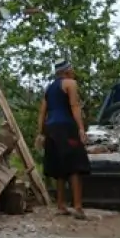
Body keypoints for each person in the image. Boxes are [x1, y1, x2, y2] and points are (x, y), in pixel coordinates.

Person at [35, 60, 91, 219]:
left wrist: (41, 133)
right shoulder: (70, 84)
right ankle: (78, 207)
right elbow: (74, 106)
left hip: (51, 129)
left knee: (59, 168)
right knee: (75, 167)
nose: (73, 72)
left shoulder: (50, 88)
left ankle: (61, 205)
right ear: (66, 71)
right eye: (71, 69)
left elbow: (42, 113)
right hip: (66, 128)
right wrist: (80, 128)